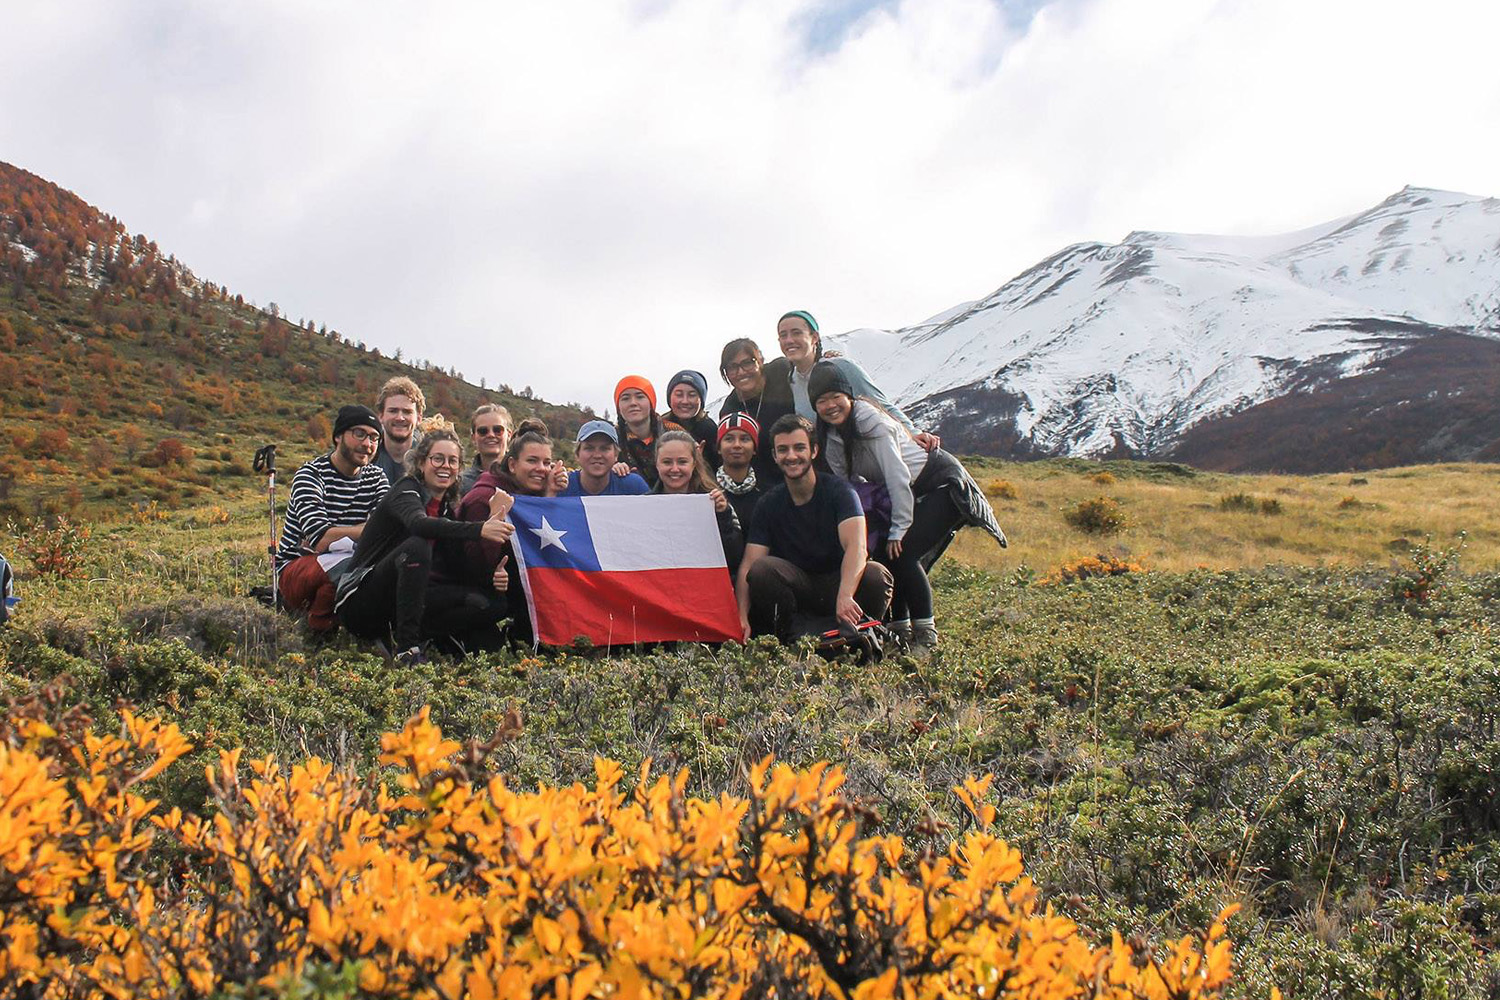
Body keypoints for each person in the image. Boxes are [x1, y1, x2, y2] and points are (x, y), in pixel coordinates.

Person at [807, 361, 1006, 653]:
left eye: (836, 397)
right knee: (887, 557)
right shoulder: (831, 436)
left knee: (904, 553)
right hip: (906, 491)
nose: (830, 405)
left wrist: (898, 529)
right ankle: (899, 629)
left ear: (849, 396)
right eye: (821, 401)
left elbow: (897, 476)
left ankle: (926, 635)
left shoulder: (871, 422)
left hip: (938, 484)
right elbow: (848, 484)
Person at [336, 421, 514, 663]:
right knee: (417, 546)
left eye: (452, 461)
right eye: (437, 458)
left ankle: (428, 636)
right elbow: (418, 525)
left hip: (408, 601)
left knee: (494, 603)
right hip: (361, 602)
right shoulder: (406, 489)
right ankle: (407, 649)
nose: (445, 466)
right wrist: (480, 528)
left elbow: (460, 568)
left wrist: (493, 577)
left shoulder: (445, 510)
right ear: (421, 463)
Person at [736, 414, 893, 644]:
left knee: (876, 574)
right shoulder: (769, 503)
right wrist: (741, 616)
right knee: (762, 570)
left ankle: (862, 632)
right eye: (783, 450)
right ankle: (791, 638)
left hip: (840, 582)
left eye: (799, 447)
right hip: (798, 587)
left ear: (814, 450)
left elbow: (857, 548)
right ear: (775, 456)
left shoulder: (841, 492)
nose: (791, 456)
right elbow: (749, 564)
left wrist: (846, 595)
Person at [274, 405, 390, 634]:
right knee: (349, 567)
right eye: (359, 434)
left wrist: (344, 533)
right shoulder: (310, 475)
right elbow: (320, 540)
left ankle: (352, 626)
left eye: (374, 437)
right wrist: (367, 530)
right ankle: (320, 631)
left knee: (382, 566)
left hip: (348, 559)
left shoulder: (376, 477)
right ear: (338, 436)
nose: (367, 444)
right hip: (295, 570)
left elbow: (387, 530)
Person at [776, 309, 940, 451]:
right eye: (783, 335)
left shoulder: (841, 367)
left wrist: (913, 432)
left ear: (814, 337)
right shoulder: (790, 382)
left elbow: (880, 403)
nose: (789, 340)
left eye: (796, 333)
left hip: (870, 456)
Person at [457, 418, 558, 644]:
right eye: (532, 461)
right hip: (472, 592)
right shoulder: (483, 498)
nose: (541, 469)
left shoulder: (526, 492)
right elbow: (473, 565)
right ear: (512, 465)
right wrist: (495, 518)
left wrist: (550, 493)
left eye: (546, 462)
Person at [653, 430, 743, 577]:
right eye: (667, 462)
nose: (675, 469)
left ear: (694, 463)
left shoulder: (716, 501)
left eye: (682, 462)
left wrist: (723, 516)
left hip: (704, 586)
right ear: (656, 464)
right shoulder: (645, 505)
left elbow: (734, 557)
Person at [716, 339, 796, 486]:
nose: (740, 372)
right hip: (767, 484)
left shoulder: (781, 371)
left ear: (760, 361)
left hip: (803, 467)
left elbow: (808, 369)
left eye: (747, 363)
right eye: (732, 367)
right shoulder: (730, 410)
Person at [555, 420, 651, 497]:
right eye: (589, 448)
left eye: (604, 449)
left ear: (616, 455)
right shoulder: (561, 487)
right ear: (577, 454)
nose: (597, 455)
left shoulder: (634, 487)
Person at [614, 375, 678, 488]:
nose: (633, 403)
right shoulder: (612, 439)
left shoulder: (674, 433)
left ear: (651, 402)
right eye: (625, 398)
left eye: (640, 397)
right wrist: (611, 469)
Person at [714, 412, 764, 531]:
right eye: (729, 439)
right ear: (719, 448)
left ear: (754, 449)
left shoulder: (767, 495)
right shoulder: (707, 490)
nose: (737, 445)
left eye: (745, 439)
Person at [372, 376, 425, 483]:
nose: (400, 418)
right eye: (393, 411)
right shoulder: (365, 456)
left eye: (407, 412)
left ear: (419, 418)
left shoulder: (429, 461)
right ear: (381, 416)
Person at [662, 369, 719, 468]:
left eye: (692, 395)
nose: (685, 401)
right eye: (679, 395)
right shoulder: (659, 426)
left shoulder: (710, 430)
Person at [459, 403, 512, 495]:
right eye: (483, 431)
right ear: (473, 438)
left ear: (509, 435)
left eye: (498, 430)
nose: (491, 435)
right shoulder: (461, 483)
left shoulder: (521, 479)